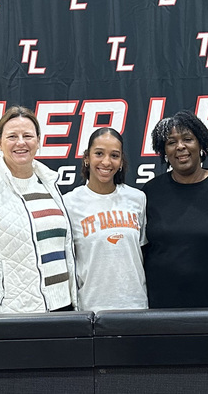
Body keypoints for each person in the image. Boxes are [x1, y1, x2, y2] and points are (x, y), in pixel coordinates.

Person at [0, 106, 77, 314]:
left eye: (28, 135)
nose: (21, 142)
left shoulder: (50, 185)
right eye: (12, 136)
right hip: (14, 316)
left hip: (62, 311)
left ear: (38, 141)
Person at [142, 110, 208, 308]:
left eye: (188, 139)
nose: (180, 147)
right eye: (171, 142)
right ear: (164, 152)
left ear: (201, 145)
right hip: (162, 311)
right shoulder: (150, 192)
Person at [63, 127, 148, 312]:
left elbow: (142, 253)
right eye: (99, 153)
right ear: (87, 157)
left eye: (114, 155)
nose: (106, 162)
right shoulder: (69, 203)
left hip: (136, 306)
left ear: (121, 161)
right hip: (91, 309)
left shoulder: (137, 198)